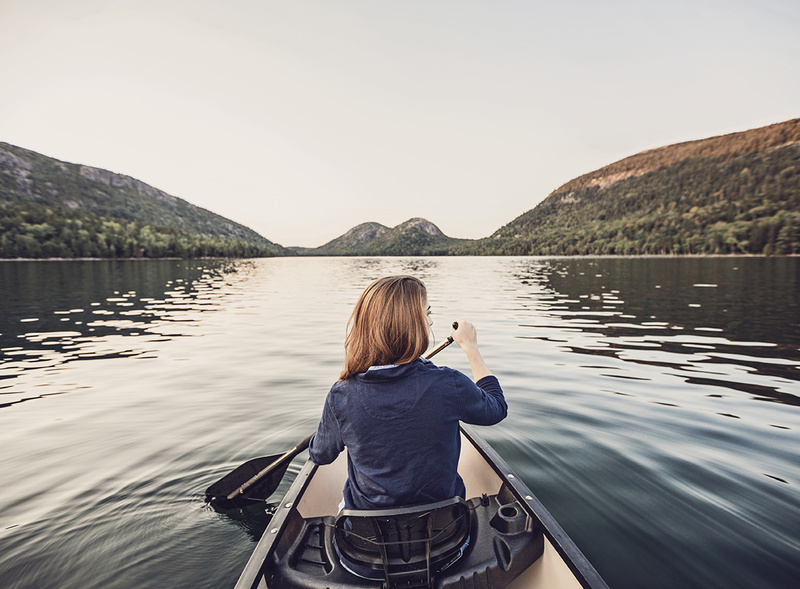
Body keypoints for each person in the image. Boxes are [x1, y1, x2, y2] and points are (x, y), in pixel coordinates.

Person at [308, 275, 507, 510]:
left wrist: (329, 425)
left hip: (367, 541)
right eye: (428, 312)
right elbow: (496, 408)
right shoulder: (447, 383)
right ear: (412, 322)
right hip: (447, 536)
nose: (430, 322)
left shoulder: (341, 397)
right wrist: (470, 347)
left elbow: (321, 455)